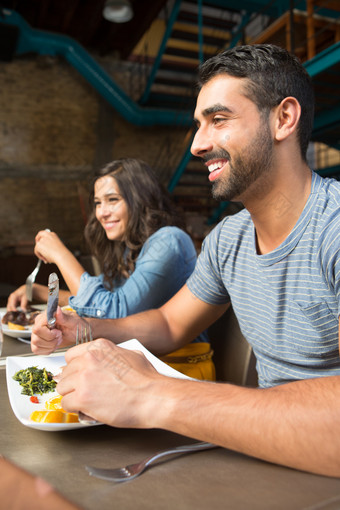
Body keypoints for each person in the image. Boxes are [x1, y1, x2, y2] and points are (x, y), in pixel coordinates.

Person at [32, 44, 340, 477]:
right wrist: (86, 328)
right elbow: (169, 325)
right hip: (265, 459)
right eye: (198, 125)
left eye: (218, 120)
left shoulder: (334, 228)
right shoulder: (227, 240)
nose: (197, 145)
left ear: (283, 119)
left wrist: (151, 395)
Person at [9, 158, 214, 380]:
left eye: (112, 200)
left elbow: (112, 313)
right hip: (140, 364)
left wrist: (61, 255)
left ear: (141, 200)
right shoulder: (130, 247)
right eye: (98, 203)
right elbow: (102, 302)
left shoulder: (169, 241)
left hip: (178, 371)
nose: (102, 213)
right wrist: (39, 292)